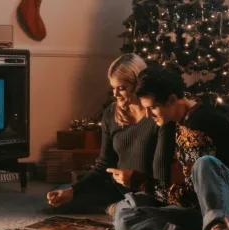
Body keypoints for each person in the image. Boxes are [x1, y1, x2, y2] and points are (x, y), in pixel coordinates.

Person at [113, 64, 229, 230]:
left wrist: (140, 182)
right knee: (124, 216)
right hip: (202, 209)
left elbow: (189, 195)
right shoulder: (178, 120)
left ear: (171, 99)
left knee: (205, 164)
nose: (147, 114)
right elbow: (189, 197)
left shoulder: (202, 121)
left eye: (152, 108)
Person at [47, 54, 174, 213]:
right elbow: (104, 164)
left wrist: (135, 181)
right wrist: (73, 190)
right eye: (113, 88)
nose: (115, 94)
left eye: (121, 88)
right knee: (60, 196)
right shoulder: (111, 113)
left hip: (145, 191)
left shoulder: (158, 117)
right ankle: (113, 208)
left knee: (142, 209)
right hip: (114, 188)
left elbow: (161, 180)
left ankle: (119, 209)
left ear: (138, 85)